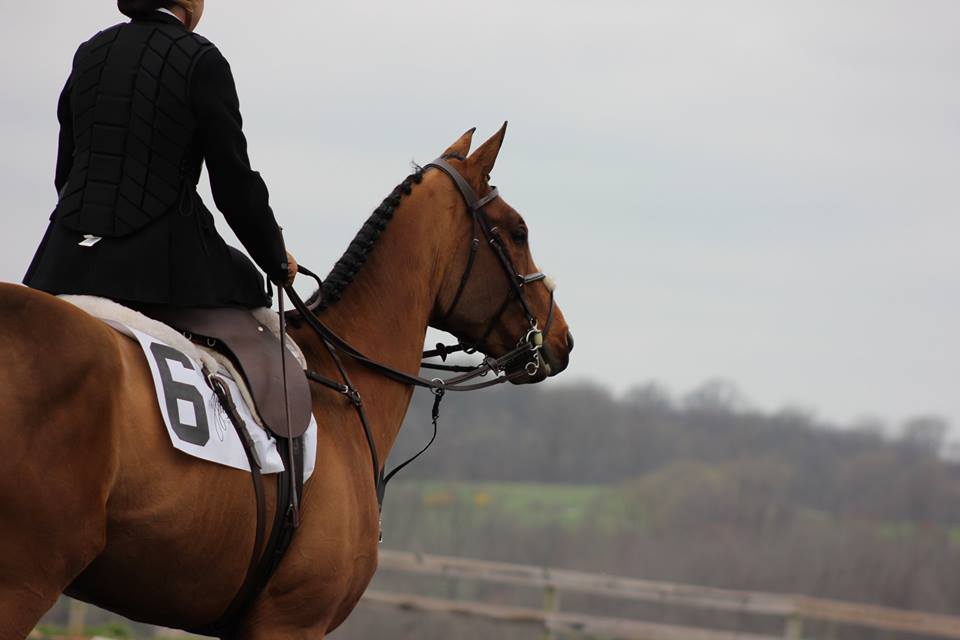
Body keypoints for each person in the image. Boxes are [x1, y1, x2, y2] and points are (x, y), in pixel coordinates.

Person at [24, 0, 297, 310]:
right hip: (162, 261)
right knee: (249, 287)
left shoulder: (90, 51)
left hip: (63, 257)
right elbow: (232, 183)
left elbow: (67, 171)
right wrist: (273, 258)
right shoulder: (203, 60)